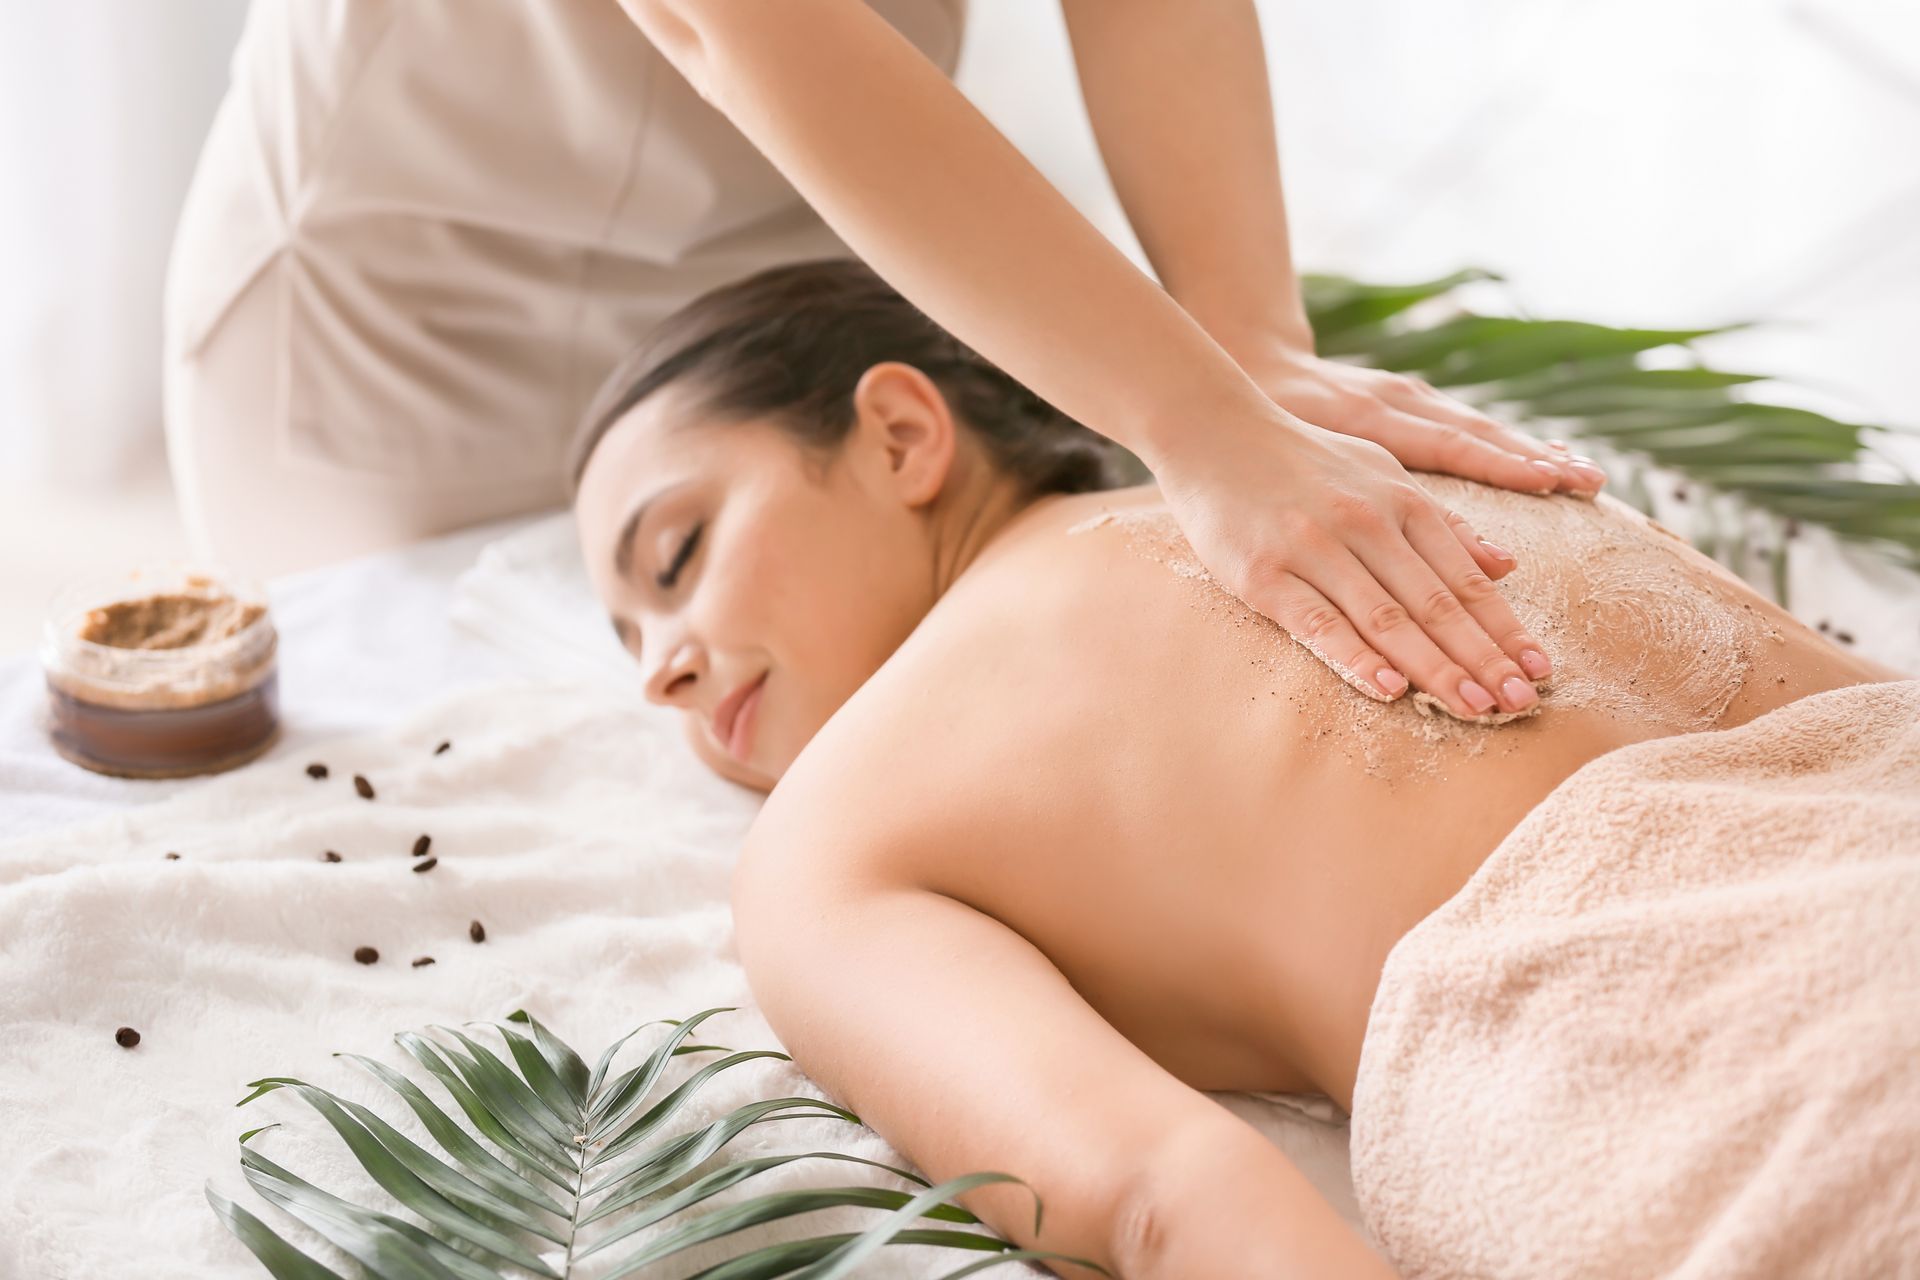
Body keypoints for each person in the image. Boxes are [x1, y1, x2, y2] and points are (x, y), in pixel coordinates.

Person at [565, 258, 1904, 1277]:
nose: (659, 670)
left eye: (674, 560)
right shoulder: (1380, 470)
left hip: (1701, 1046)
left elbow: (1163, 1198)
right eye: (631, 640)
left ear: (905, 434)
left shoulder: (823, 849)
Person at [165, 0, 1602, 722]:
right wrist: (1196, 420)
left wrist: (1247, 342)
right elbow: (743, 27)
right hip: (406, 311)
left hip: (786, 257)